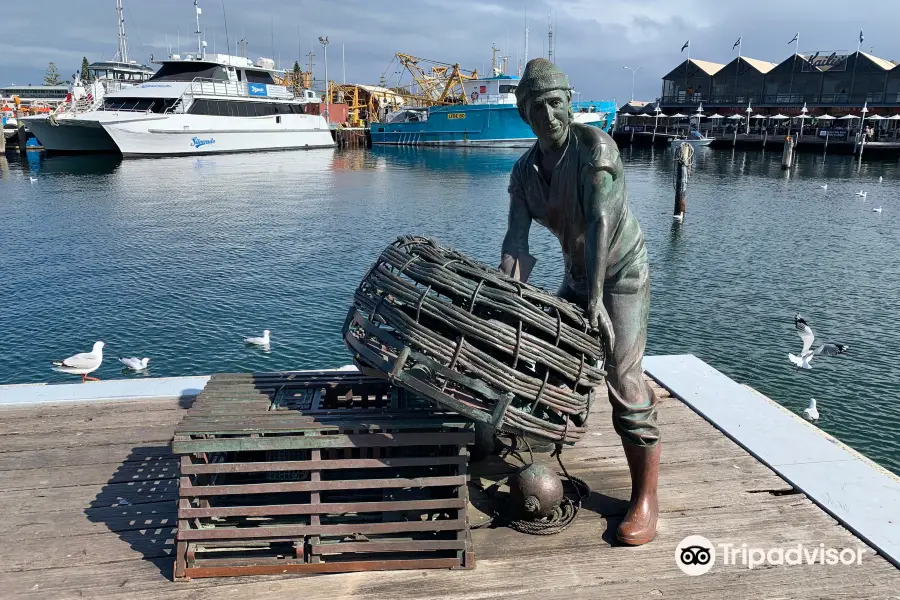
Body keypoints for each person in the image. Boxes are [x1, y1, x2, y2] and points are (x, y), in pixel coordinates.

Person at [499, 58, 660, 546]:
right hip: (577, 272)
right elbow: (516, 241)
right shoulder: (524, 172)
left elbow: (600, 226)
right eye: (536, 108)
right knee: (539, 352)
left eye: (555, 104)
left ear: (570, 104)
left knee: (623, 377)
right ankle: (536, 435)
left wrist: (595, 301)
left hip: (620, 272)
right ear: (525, 116)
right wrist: (508, 298)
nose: (548, 115)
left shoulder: (597, 149)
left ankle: (646, 499)